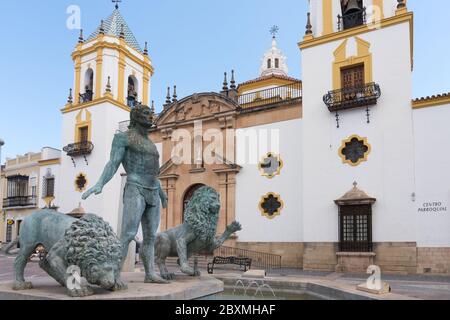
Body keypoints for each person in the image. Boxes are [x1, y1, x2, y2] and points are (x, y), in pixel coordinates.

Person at [83, 104, 168, 283]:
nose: (150, 117)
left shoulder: (151, 144)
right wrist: (100, 183)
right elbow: (113, 163)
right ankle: (114, 274)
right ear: (135, 117)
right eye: (146, 114)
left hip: (153, 191)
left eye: (150, 114)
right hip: (135, 187)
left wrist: (161, 191)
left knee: (151, 236)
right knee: (128, 233)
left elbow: (154, 172)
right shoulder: (123, 138)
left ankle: (150, 273)